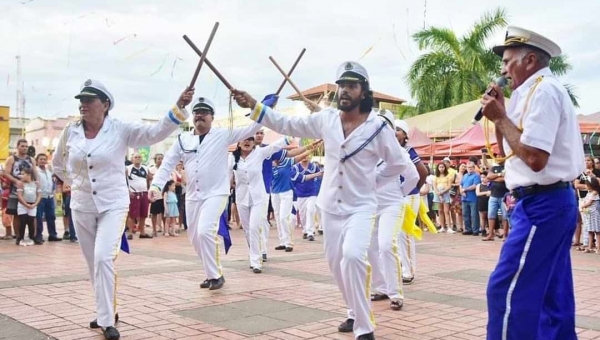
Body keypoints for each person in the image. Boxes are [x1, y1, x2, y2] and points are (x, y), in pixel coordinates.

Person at [233, 61, 415, 340]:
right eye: (341, 85)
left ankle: (364, 328)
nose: (344, 90)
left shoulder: (379, 128)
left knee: (353, 256)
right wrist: (257, 106)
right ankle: (354, 311)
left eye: (351, 86)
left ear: (364, 91)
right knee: (335, 262)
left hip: (361, 206)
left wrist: (373, 183)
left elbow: (398, 163)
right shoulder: (326, 119)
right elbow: (286, 122)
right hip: (329, 205)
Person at [53, 79, 192, 340]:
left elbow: (154, 134)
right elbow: (58, 163)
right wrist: (72, 182)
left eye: (89, 100)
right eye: (81, 100)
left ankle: (106, 321)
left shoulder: (120, 129)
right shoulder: (70, 131)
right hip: (82, 205)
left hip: (113, 204)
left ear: (105, 104)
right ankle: (106, 309)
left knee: (104, 257)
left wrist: (178, 107)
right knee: (92, 262)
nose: (83, 104)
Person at [482, 26, 583, 340]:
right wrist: (500, 115)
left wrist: (500, 117)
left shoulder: (544, 91)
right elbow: (506, 151)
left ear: (530, 60)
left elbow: (536, 159)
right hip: (544, 201)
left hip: (544, 202)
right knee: (553, 294)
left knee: (505, 290)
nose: (503, 69)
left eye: (508, 61)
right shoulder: (528, 93)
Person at [149, 96, 261, 291]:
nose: (200, 116)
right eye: (197, 112)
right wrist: (156, 186)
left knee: (205, 231)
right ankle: (211, 273)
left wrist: (263, 107)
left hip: (216, 193)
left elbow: (251, 128)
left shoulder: (222, 135)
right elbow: (167, 164)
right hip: (193, 195)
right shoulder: (182, 139)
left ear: (212, 116)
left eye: (204, 113)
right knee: (194, 237)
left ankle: (216, 275)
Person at [369, 111, 418, 311]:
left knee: (387, 245)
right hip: (370, 206)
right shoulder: (366, 152)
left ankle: (396, 293)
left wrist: (399, 193)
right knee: (370, 248)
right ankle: (380, 287)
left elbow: (413, 177)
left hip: (391, 206)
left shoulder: (399, 153)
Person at [230, 136, 290, 273]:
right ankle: (254, 254)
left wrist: (288, 136)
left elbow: (275, 146)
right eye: (244, 139)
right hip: (242, 198)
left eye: (250, 139)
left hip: (259, 198)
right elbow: (227, 178)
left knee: (254, 227)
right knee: (247, 230)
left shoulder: (260, 153)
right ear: (238, 142)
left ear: (253, 143)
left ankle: (256, 261)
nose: (247, 142)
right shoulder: (232, 158)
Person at [394, 119, 428, 285]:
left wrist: (413, 189)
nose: (395, 132)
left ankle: (409, 271)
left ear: (405, 135)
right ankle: (401, 265)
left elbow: (423, 171)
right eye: (392, 129)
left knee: (404, 233)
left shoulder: (408, 150)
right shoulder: (387, 150)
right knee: (395, 234)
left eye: (398, 130)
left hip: (408, 195)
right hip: (395, 196)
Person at [4, 139, 36, 243]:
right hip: (15, 190)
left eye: (26, 146)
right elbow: (6, 173)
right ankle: (18, 236)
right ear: (17, 146)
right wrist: (16, 181)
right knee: (16, 213)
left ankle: (33, 236)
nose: (24, 148)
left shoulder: (31, 159)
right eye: (22, 146)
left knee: (32, 213)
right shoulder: (11, 159)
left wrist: (36, 183)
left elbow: (35, 173)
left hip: (30, 190)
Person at [291, 154, 323, 241]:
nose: (304, 157)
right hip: (300, 194)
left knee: (310, 210)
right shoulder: (295, 168)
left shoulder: (314, 167)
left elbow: (320, 175)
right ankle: (305, 229)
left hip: (312, 193)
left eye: (306, 155)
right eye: (303, 155)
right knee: (303, 214)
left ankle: (310, 232)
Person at [35, 153, 61, 242]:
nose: (42, 161)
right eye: (40, 159)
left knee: (51, 216)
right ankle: (38, 235)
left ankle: (52, 235)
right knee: (39, 217)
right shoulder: (35, 171)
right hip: (40, 197)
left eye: (44, 159)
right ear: (37, 160)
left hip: (49, 197)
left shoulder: (49, 171)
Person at [126, 153, 152, 239]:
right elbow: (122, 181)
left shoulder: (145, 168)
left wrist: (148, 190)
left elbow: (149, 179)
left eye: (139, 157)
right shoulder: (128, 168)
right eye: (136, 157)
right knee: (132, 214)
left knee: (143, 214)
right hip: (134, 194)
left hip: (143, 193)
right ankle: (130, 232)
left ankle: (142, 232)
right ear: (132, 159)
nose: (137, 158)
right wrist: (128, 191)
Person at [15, 168, 41, 246]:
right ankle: (20, 237)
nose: (21, 176)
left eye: (23, 174)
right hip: (23, 205)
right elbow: (19, 195)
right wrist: (26, 204)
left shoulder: (36, 184)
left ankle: (32, 237)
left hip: (32, 204)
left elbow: (39, 195)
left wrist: (35, 204)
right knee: (22, 221)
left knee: (31, 221)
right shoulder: (21, 184)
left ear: (29, 175)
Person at [460, 161, 482, 236]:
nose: (469, 169)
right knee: (465, 214)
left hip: (473, 198)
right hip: (464, 198)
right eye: (468, 167)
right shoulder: (465, 175)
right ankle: (468, 229)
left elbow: (475, 185)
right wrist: (461, 191)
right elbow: (461, 184)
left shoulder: (476, 175)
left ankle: (475, 230)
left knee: (474, 215)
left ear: (473, 168)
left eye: (471, 167)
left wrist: (465, 189)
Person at [580, 176, 600, 253]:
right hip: (589, 214)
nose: (586, 187)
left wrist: (583, 205)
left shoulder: (595, 193)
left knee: (597, 231)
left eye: (587, 185)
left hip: (594, 214)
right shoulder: (589, 193)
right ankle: (589, 247)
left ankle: (598, 248)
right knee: (590, 230)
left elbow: (589, 202)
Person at [148, 154, 165, 237]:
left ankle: (165, 229)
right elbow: (148, 181)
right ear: (155, 160)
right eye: (158, 159)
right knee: (154, 213)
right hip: (155, 194)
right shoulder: (151, 169)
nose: (160, 160)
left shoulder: (165, 169)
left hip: (164, 194)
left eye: (162, 158)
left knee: (164, 213)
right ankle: (154, 230)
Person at [476, 171, 491, 240]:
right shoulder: (479, 185)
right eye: (481, 177)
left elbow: (492, 193)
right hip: (481, 201)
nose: (482, 179)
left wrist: (489, 193)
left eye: (484, 177)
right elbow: (478, 193)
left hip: (489, 201)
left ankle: (491, 230)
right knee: (482, 216)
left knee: (489, 216)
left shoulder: (490, 185)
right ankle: (483, 229)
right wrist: (486, 193)